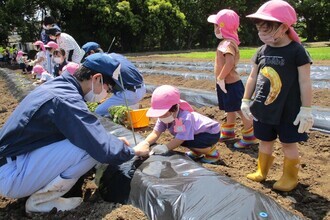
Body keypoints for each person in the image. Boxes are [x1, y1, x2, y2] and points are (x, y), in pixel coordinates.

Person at [0, 53, 150, 213]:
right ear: (97, 78)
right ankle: (40, 202)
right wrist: (132, 151)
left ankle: (40, 188)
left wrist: (111, 141)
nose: (107, 92)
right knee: (88, 149)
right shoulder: (66, 99)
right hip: (12, 175)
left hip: (13, 163)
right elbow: (98, 146)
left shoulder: (59, 87)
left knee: (85, 140)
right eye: (108, 87)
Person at [242, 0, 313, 192]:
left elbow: (305, 82)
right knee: (265, 140)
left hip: (288, 111)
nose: (262, 35)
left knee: (288, 144)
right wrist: (245, 100)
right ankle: (261, 170)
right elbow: (252, 76)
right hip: (264, 109)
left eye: (267, 30)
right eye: (260, 30)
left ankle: (290, 177)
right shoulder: (261, 51)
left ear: (283, 27)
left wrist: (306, 109)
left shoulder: (297, 51)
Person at [207, 9, 257, 149]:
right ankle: (228, 132)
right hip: (226, 83)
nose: (214, 29)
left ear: (222, 27)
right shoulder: (227, 42)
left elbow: (229, 63)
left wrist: (221, 78)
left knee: (240, 109)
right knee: (230, 108)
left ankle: (249, 136)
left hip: (230, 83)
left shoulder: (227, 44)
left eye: (216, 25)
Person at [135, 85, 221, 164]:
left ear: (174, 109)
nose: (160, 117)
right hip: (196, 133)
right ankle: (197, 152)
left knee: (186, 141)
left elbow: (180, 139)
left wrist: (166, 147)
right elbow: (155, 133)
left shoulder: (185, 117)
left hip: (210, 133)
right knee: (185, 141)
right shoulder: (163, 117)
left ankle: (212, 153)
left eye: (163, 113)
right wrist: (145, 143)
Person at [82, 42, 146, 116]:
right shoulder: (114, 55)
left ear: (92, 52)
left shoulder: (102, 63)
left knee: (98, 112)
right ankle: (131, 106)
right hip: (141, 88)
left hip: (130, 93)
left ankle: (130, 107)